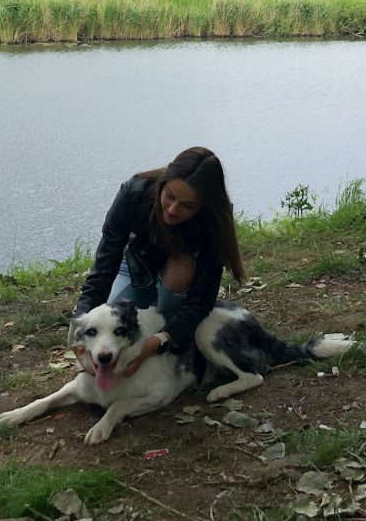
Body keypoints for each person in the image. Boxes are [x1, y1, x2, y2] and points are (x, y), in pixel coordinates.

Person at [74, 147, 245, 375]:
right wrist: (79, 324)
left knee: (169, 307)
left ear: (204, 205)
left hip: (179, 272)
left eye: (187, 206)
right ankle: (154, 305)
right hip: (136, 267)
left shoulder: (214, 220)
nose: (173, 210)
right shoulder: (133, 193)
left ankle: (171, 322)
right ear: (163, 183)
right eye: (170, 196)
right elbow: (103, 270)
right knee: (111, 318)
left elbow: (201, 301)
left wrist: (158, 341)